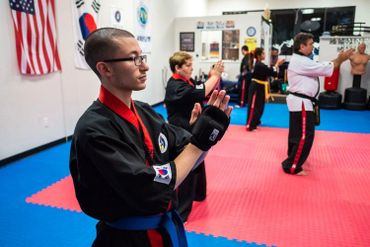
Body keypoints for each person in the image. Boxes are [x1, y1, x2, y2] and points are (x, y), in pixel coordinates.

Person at [69, 28, 232, 247]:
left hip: (164, 231)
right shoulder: (94, 130)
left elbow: (187, 160)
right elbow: (151, 186)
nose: (144, 66)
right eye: (133, 59)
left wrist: (206, 137)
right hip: (125, 240)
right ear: (105, 68)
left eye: (142, 57)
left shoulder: (146, 112)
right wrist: (198, 143)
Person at [281, 32, 353, 175]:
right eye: (310, 44)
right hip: (301, 102)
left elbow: (321, 66)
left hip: (301, 101)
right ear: (302, 46)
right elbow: (324, 69)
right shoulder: (301, 61)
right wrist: (341, 59)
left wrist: (339, 59)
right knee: (305, 135)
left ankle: (292, 157)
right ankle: (292, 165)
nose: (313, 46)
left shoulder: (302, 59)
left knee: (297, 133)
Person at [164, 51, 224, 222]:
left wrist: (213, 77)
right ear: (177, 68)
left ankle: (199, 193)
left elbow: (203, 90)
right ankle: (182, 213)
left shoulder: (187, 81)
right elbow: (203, 89)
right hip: (179, 130)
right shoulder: (175, 86)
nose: (192, 68)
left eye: (191, 64)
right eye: (188, 65)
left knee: (199, 158)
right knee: (187, 169)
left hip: (192, 126)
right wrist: (216, 75)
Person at [246, 47, 283, 131]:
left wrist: (276, 66)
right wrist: (277, 65)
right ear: (259, 56)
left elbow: (273, 73)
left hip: (260, 86)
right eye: (263, 53)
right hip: (256, 87)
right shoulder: (259, 65)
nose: (264, 55)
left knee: (260, 106)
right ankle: (250, 125)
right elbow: (272, 72)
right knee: (255, 106)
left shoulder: (260, 64)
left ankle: (255, 122)